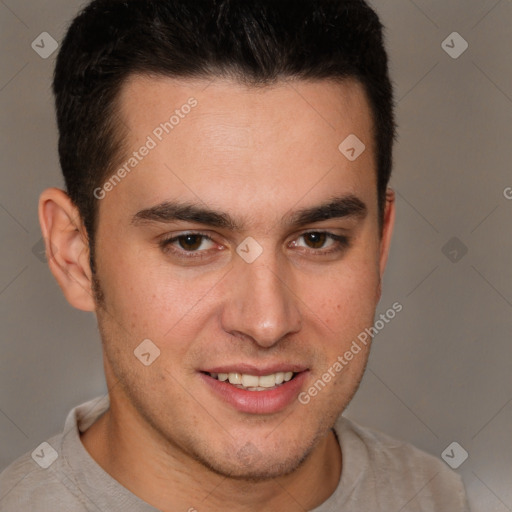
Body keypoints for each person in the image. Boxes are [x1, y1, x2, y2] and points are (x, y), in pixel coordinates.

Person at [0, 0, 470, 510]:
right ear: (74, 255)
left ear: (379, 243)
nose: (267, 322)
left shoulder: (436, 495)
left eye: (317, 239)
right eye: (191, 242)